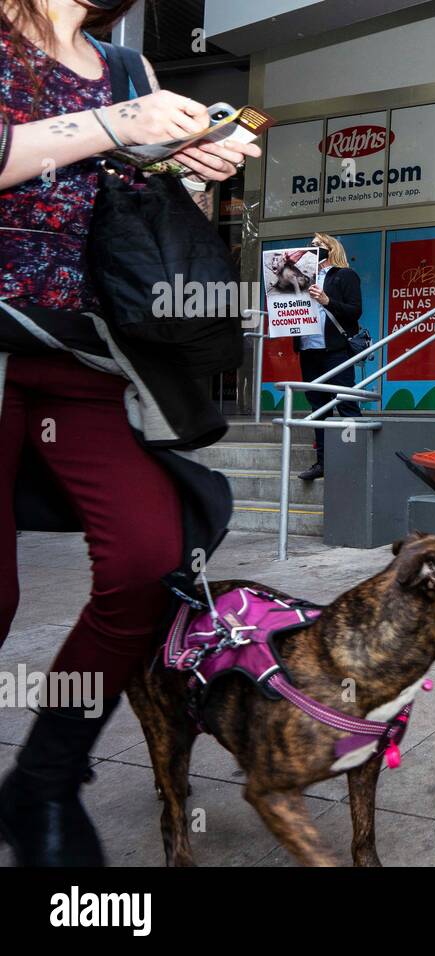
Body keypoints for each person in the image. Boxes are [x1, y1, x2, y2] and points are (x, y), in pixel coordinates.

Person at [0, 0, 259, 866]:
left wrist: (191, 170)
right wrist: (116, 123)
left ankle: (42, 781)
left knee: (153, 560)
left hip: (83, 351)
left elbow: (130, 200)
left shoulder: (127, 66)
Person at [294, 231, 363, 481]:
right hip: (309, 351)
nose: (312, 248)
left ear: (330, 249)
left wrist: (326, 300)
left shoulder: (344, 275)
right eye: (310, 245)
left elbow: (355, 311)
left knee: (346, 402)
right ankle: (323, 462)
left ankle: (353, 460)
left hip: (336, 351)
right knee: (318, 408)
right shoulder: (298, 278)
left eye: (317, 245)